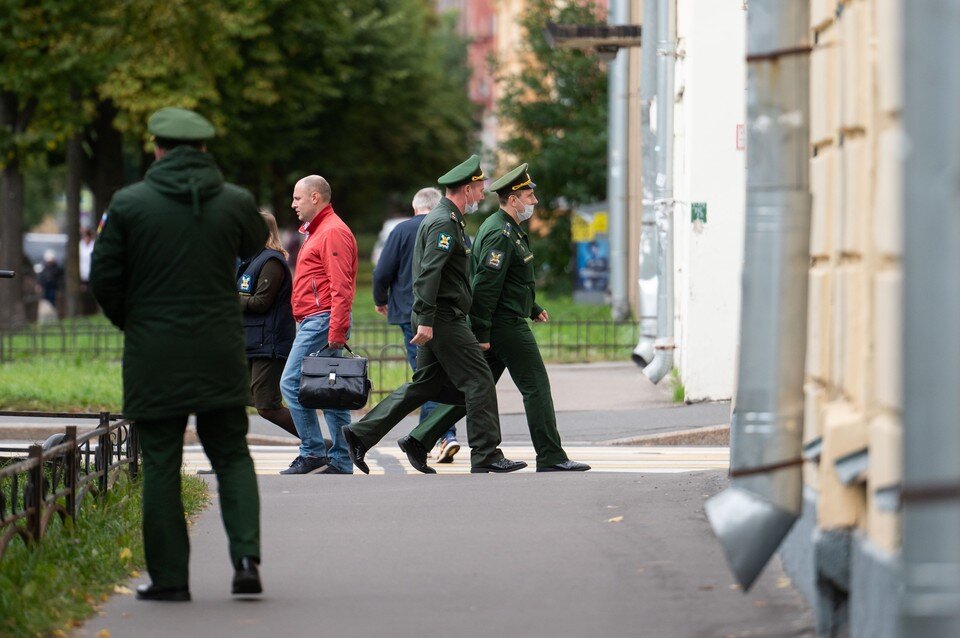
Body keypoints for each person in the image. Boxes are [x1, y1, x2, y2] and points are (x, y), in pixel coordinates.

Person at [90, 107, 266, 601]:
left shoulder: (129, 204)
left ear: (157, 148)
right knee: (231, 453)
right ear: (205, 150)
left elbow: (104, 277)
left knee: (162, 461)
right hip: (219, 348)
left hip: (154, 352)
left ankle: (169, 579)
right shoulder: (234, 201)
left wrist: (135, 320)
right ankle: (247, 559)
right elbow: (255, 241)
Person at [341, 155, 526, 475]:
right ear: (467, 190)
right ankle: (486, 454)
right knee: (479, 379)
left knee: (424, 384)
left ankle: (362, 434)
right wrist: (425, 319)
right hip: (441, 318)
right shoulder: (443, 222)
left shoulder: (449, 219)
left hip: (439, 315)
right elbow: (428, 273)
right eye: (480, 189)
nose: (482, 195)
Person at [405, 164, 591, 472]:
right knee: (536, 387)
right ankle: (551, 456)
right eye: (529, 196)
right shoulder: (500, 232)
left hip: (503, 320)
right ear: (514, 199)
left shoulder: (507, 228)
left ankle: (420, 438)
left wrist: (532, 306)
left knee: (477, 390)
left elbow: (511, 280)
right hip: (504, 325)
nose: (534, 202)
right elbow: (485, 286)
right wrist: (482, 332)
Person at [278, 175, 358, 474]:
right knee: (330, 390)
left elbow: (342, 286)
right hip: (319, 319)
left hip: (322, 319)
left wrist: (336, 329)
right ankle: (340, 458)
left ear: (315, 198)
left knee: (290, 381)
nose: (293, 204)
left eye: (297, 198)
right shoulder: (320, 230)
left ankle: (312, 451)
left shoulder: (332, 231)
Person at [372, 187, 459, 463]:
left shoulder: (400, 230)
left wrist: (380, 299)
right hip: (446, 313)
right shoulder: (450, 226)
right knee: (439, 374)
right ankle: (436, 436)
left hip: (410, 313)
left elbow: (382, 271)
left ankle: (436, 436)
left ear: (414, 208)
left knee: (427, 377)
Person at [238, 211, 298, 439]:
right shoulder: (252, 260)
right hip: (252, 341)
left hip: (268, 343)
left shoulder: (271, 261)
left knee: (267, 406)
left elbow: (261, 302)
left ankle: (320, 446)